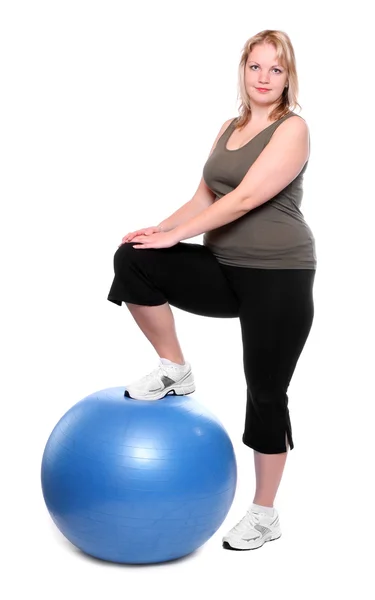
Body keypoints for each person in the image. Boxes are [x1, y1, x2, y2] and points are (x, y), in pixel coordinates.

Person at [107, 29, 317, 552]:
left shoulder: (293, 129)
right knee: (134, 259)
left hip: (280, 278)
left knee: (266, 395)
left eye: (276, 69)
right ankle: (175, 369)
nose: (264, 78)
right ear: (242, 70)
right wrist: (159, 231)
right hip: (224, 269)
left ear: (288, 77)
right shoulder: (230, 127)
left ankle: (265, 514)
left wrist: (180, 235)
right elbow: (203, 195)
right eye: (256, 67)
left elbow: (246, 198)